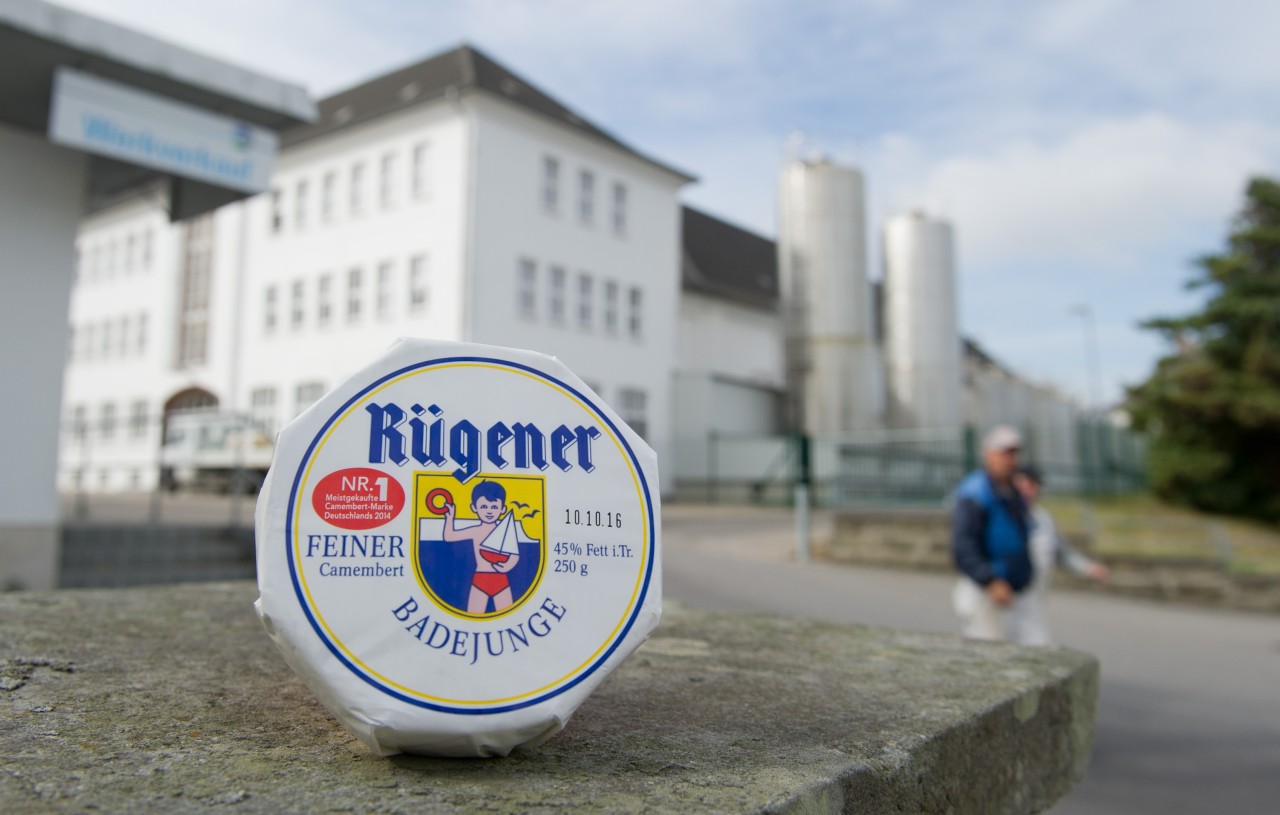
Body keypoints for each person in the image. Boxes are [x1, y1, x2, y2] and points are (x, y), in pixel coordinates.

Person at [1007, 464, 1109, 645]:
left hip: (1033, 601)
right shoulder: (1001, 517)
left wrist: (1089, 568)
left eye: (1032, 485)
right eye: (1021, 484)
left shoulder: (1044, 519)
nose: (1027, 490)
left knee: (1035, 652)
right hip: (1004, 601)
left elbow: (1062, 553)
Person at [950, 425, 1033, 641]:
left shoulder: (1010, 490)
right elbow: (964, 544)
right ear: (988, 454)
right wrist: (990, 581)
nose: (1010, 460)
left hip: (1011, 590)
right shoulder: (975, 492)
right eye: (1004, 453)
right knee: (990, 653)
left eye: (1013, 454)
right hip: (986, 592)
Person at [443, 480, 521, 614]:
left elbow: (514, 554)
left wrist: (508, 565)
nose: (489, 511)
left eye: (494, 507)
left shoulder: (505, 531)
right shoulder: (475, 530)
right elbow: (449, 536)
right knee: (473, 617)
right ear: (474, 508)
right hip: (480, 579)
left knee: (508, 616)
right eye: (484, 506)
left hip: (501, 579)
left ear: (503, 509)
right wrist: (450, 518)